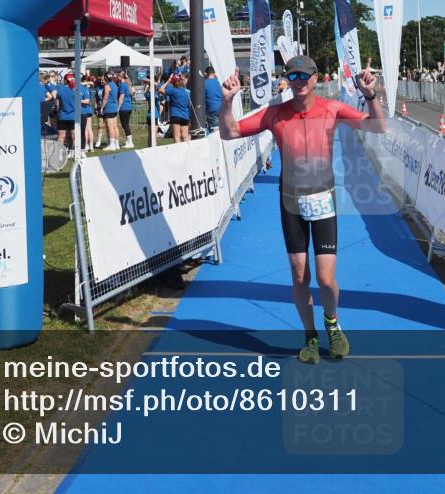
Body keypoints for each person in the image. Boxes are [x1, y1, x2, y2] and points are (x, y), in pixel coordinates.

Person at [218, 55, 387, 364]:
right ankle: (310, 335)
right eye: (291, 76)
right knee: (299, 277)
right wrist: (227, 101)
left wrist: (371, 95)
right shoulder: (275, 114)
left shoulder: (332, 108)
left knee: (326, 279)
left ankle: (332, 324)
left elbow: (377, 126)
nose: (297, 82)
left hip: (323, 201)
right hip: (291, 203)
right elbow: (229, 132)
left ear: (314, 79)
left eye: (303, 76)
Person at [160, 72, 192, 143]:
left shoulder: (173, 90)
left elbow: (160, 90)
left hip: (175, 115)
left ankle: (178, 150)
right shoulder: (187, 92)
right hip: (185, 116)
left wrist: (168, 81)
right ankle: (187, 149)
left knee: (177, 137)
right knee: (185, 136)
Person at [56, 72, 80, 149]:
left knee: (61, 136)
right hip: (73, 116)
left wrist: (58, 111)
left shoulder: (60, 90)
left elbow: (57, 105)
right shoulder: (75, 89)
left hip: (62, 116)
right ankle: (75, 151)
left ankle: (59, 153)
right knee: (73, 135)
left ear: (64, 80)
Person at [100, 71, 120, 151]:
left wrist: (102, 107)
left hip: (109, 108)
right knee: (115, 126)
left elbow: (105, 98)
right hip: (114, 107)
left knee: (110, 127)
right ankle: (116, 144)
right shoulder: (115, 85)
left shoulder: (107, 86)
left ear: (106, 77)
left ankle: (112, 145)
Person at [117, 71, 134, 148]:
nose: (117, 77)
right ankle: (128, 141)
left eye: (118, 76)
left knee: (125, 125)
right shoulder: (127, 85)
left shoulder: (123, 85)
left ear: (121, 77)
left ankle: (130, 142)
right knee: (126, 125)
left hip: (124, 107)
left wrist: (118, 107)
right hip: (128, 107)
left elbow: (121, 97)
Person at [80, 74, 95, 157]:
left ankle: (85, 145)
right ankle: (91, 146)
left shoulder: (84, 89)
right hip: (89, 109)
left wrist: (86, 82)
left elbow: (80, 84)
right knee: (89, 128)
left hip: (86, 109)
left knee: (85, 129)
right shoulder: (90, 88)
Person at [204, 66, 222, 131]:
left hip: (212, 109)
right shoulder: (218, 82)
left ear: (206, 74)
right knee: (221, 129)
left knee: (215, 130)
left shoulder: (204, 83)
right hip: (221, 107)